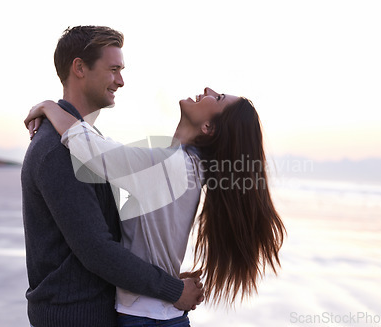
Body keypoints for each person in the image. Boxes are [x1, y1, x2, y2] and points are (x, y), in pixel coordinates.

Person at [25, 86, 286, 326]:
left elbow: (90, 149)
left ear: (208, 127)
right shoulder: (186, 167)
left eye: (217, 98)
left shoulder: (171, 166)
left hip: (148, 318)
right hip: (157, 314)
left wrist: (49, 106)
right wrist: (172, 282)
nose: (208, 90)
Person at [21, 25, 202, 327]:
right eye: (113, 69)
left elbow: (106, 234)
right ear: (79, 67)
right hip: (73, 316)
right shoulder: (60, 149)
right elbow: (97, 249)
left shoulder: (85, 141)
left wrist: (158, 277)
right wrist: (173, 290)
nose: (120, 81)